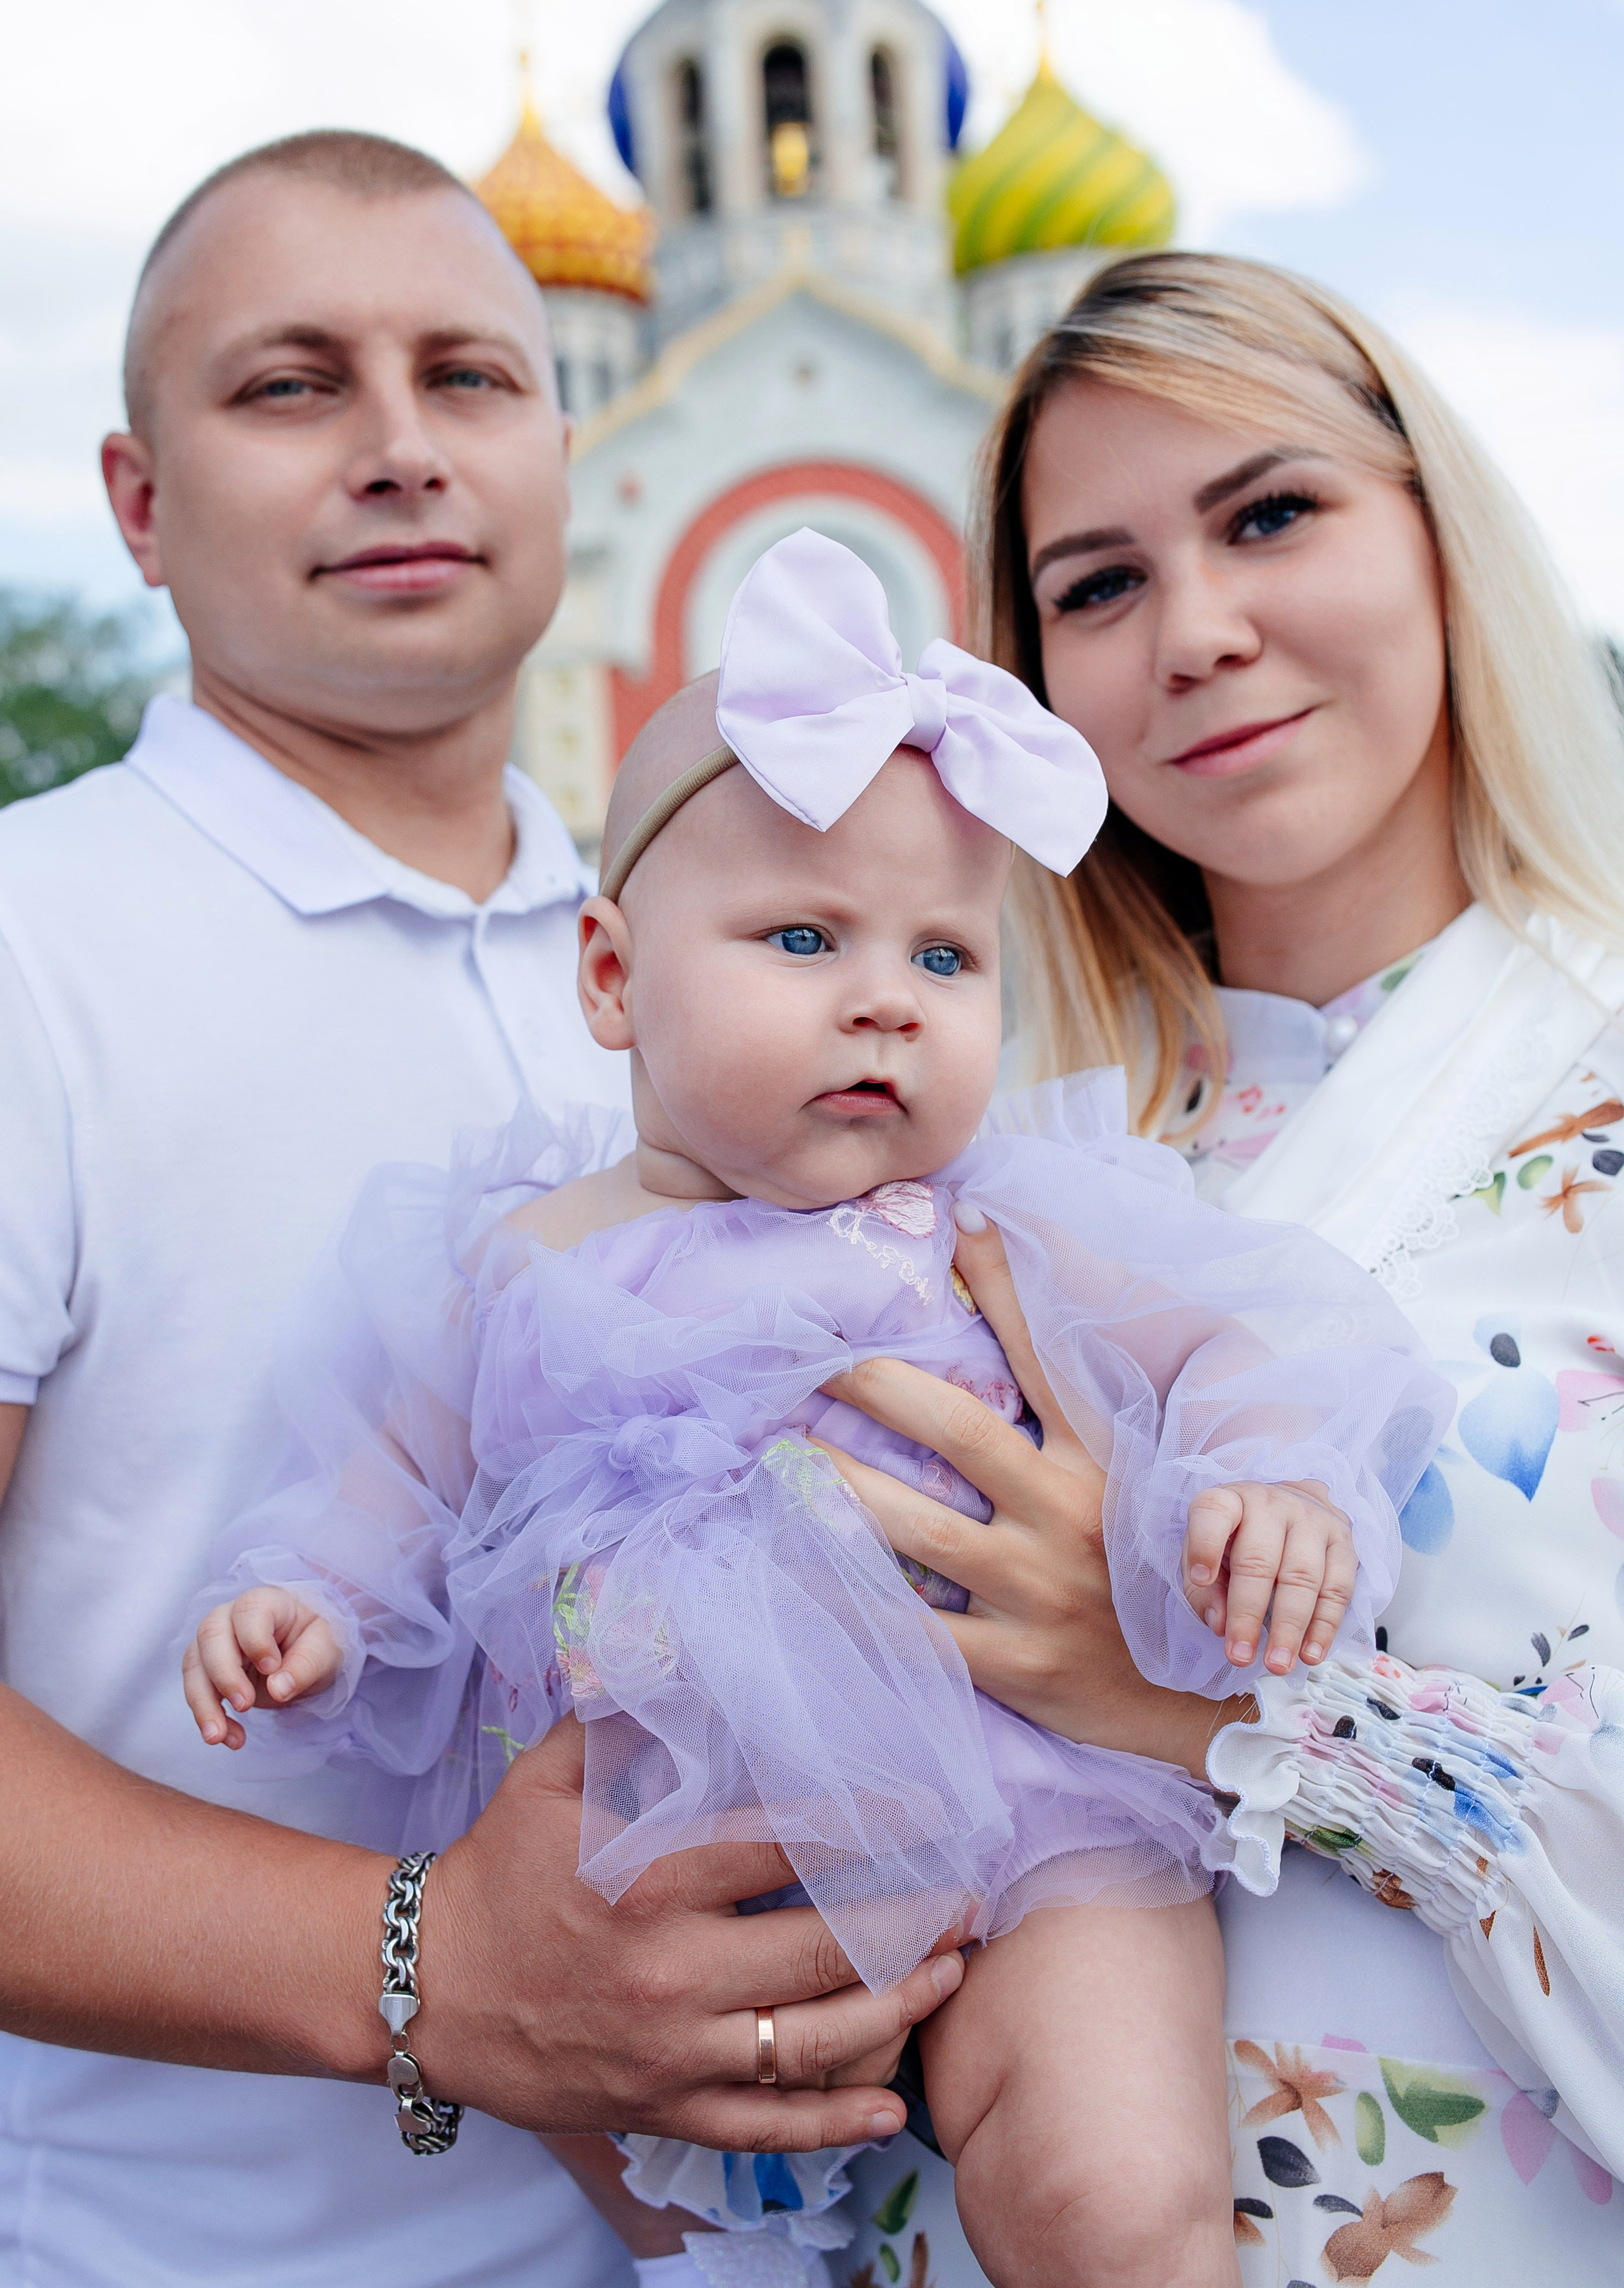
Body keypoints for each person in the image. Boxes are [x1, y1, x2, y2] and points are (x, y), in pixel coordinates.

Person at [188, 528, 1448, 2288]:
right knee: (654, 2188)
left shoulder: (1000, 1220)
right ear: (615, 976)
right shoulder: (531, 1257)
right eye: (803, 935)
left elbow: (1249, 1333)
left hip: (1034, 1824)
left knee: (1102, 2191)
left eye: (947, 958)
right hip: (669, 1876)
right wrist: (310, 1602)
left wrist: (1268, 1476)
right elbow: (400, 1469)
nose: (884, 996)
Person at [0, 134, 959, 2288]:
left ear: (566, 440)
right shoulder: (30, 949)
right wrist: (425, 1962)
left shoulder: (765, 963)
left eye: (471, 375)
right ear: (138, 506)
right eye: (290, 386)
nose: (403, 450)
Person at [811, 252, 1624, 2285]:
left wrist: (1222, 1702)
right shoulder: (979, 1171)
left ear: (1437, 533)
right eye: (1096, 586)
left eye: (1271, 515)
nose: (1198, 632)